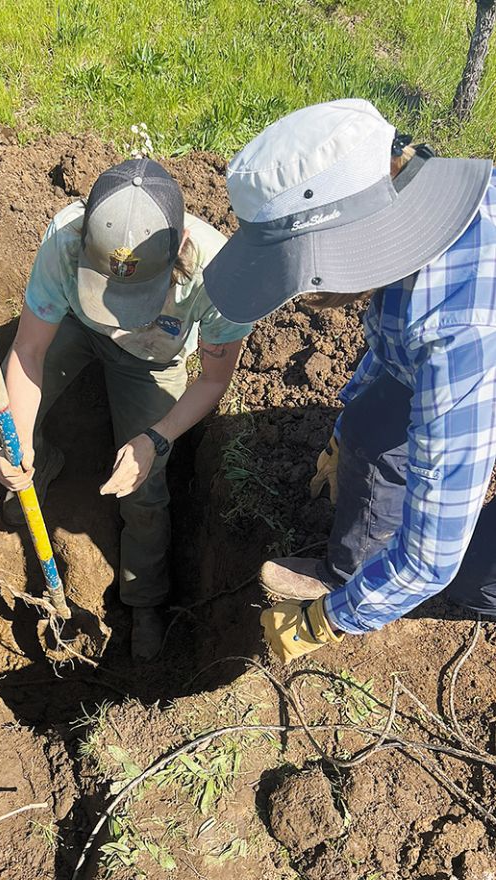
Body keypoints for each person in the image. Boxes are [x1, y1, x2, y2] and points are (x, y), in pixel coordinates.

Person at [203, 98, 496, 664]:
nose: (303, 296)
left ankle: (372, 594)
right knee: (369, 420)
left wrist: (324, 621)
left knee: (471, 574)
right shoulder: (413, 221)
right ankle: (354, 569)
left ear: (351, 240)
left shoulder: (456, 327)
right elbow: (392, 348)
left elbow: (431, 557)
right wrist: (346, 430)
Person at [0, 159, 251, 662]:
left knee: (145, 487)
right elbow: (30, 351)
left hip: (152, 361)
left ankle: (144, 600)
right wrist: (19, 441)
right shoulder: (65, 238)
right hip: (79, 329)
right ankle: (42, 465)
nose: (122, 316)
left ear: (180, 250)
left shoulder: (221, 275)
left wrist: (156, 439)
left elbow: (212, 381)